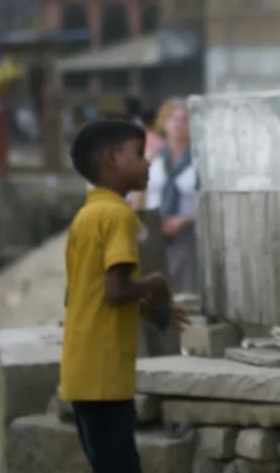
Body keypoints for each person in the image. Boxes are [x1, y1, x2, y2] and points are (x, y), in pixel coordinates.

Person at [60, 119, 186, 473]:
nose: (148, 163)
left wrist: (144, 309)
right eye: (139, 154)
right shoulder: (119, 215)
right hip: (106, 373)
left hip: (80, 369)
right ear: (112, 160)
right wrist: (155, 285)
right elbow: (115, 291)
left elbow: (80, 294)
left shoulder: (86, 215)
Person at [144, 99, 199, 293]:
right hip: (155, 232)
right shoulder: (153, 158)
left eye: (185, 120)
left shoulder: (199, 160)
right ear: (163, 123)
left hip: (189, 233)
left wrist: (184, 221)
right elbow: (141, 196)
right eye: (173, 119)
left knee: (187, 291)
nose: (178, 124)